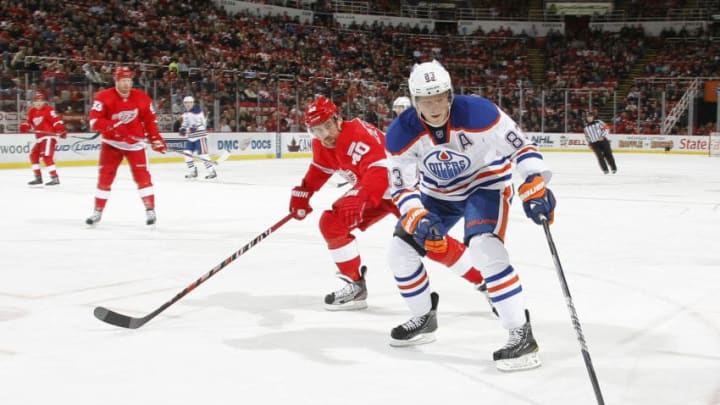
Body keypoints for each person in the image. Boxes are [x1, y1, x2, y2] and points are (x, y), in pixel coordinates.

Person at [384, 60, 556, 371]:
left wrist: (534, 180)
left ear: (450, 94)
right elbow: (401, 187)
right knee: (400, 251)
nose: (434, 106)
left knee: (483, 247)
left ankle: (520, 333)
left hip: (486, 184)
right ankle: (423, 317)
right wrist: (417, 215)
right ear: (414, 100)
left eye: (439, 97)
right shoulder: (400, 133)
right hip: (438, 195)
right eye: (425, 99)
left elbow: (521, 147)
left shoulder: (479, 112)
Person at [289, 96, 492, 312]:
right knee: (332, 223)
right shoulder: (322, 144)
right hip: (374, 192)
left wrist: (360, 196)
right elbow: (320, 169)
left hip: (403, 189)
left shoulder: (356, 135)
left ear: (338, 119)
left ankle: (485, 283)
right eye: (316, 130)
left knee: (430, 240)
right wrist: (304, 191)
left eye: (327, 126)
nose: (324, 135)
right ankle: (355, 284)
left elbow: (382, 170)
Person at [85, 66, 168, 227]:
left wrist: (156, 139)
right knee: (105, 177)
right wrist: (113, 127)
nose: (126, 85)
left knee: (142, 177)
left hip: (135, 145)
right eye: (122, 81)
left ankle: (150, 209)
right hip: (111, 144)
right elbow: (94, 122)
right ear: (116, 81)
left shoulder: (142, 98)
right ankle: (98, 211)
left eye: (128, 80)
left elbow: (150, 121)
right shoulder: (103, 97)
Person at [19, 93, 67, 186]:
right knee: (33, 155)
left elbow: (56, 120)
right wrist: (25, 126)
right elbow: (30, 123)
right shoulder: (32, 111)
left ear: (44, 102)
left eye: (41, 101)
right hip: (39, 138)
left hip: (48, 137)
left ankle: (55, 178)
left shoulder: (48, 109)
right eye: (36, 101)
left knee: (46, 156)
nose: (39, 103)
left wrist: (61, 129)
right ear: (33, 102)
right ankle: (38, 177)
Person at [179, 96, 216, 179]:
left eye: (189, 102)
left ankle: (211, 171)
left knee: (203, 155)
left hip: (200, 137)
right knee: (186, 154)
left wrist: (195, 127)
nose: (187, 104)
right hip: (190, 137)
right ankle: (192, 172)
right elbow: (185, 123)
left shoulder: (198, 112)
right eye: (186, 103)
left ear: (192, 103)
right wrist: (182, 129)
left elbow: (203, 124)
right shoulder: (185, 113)